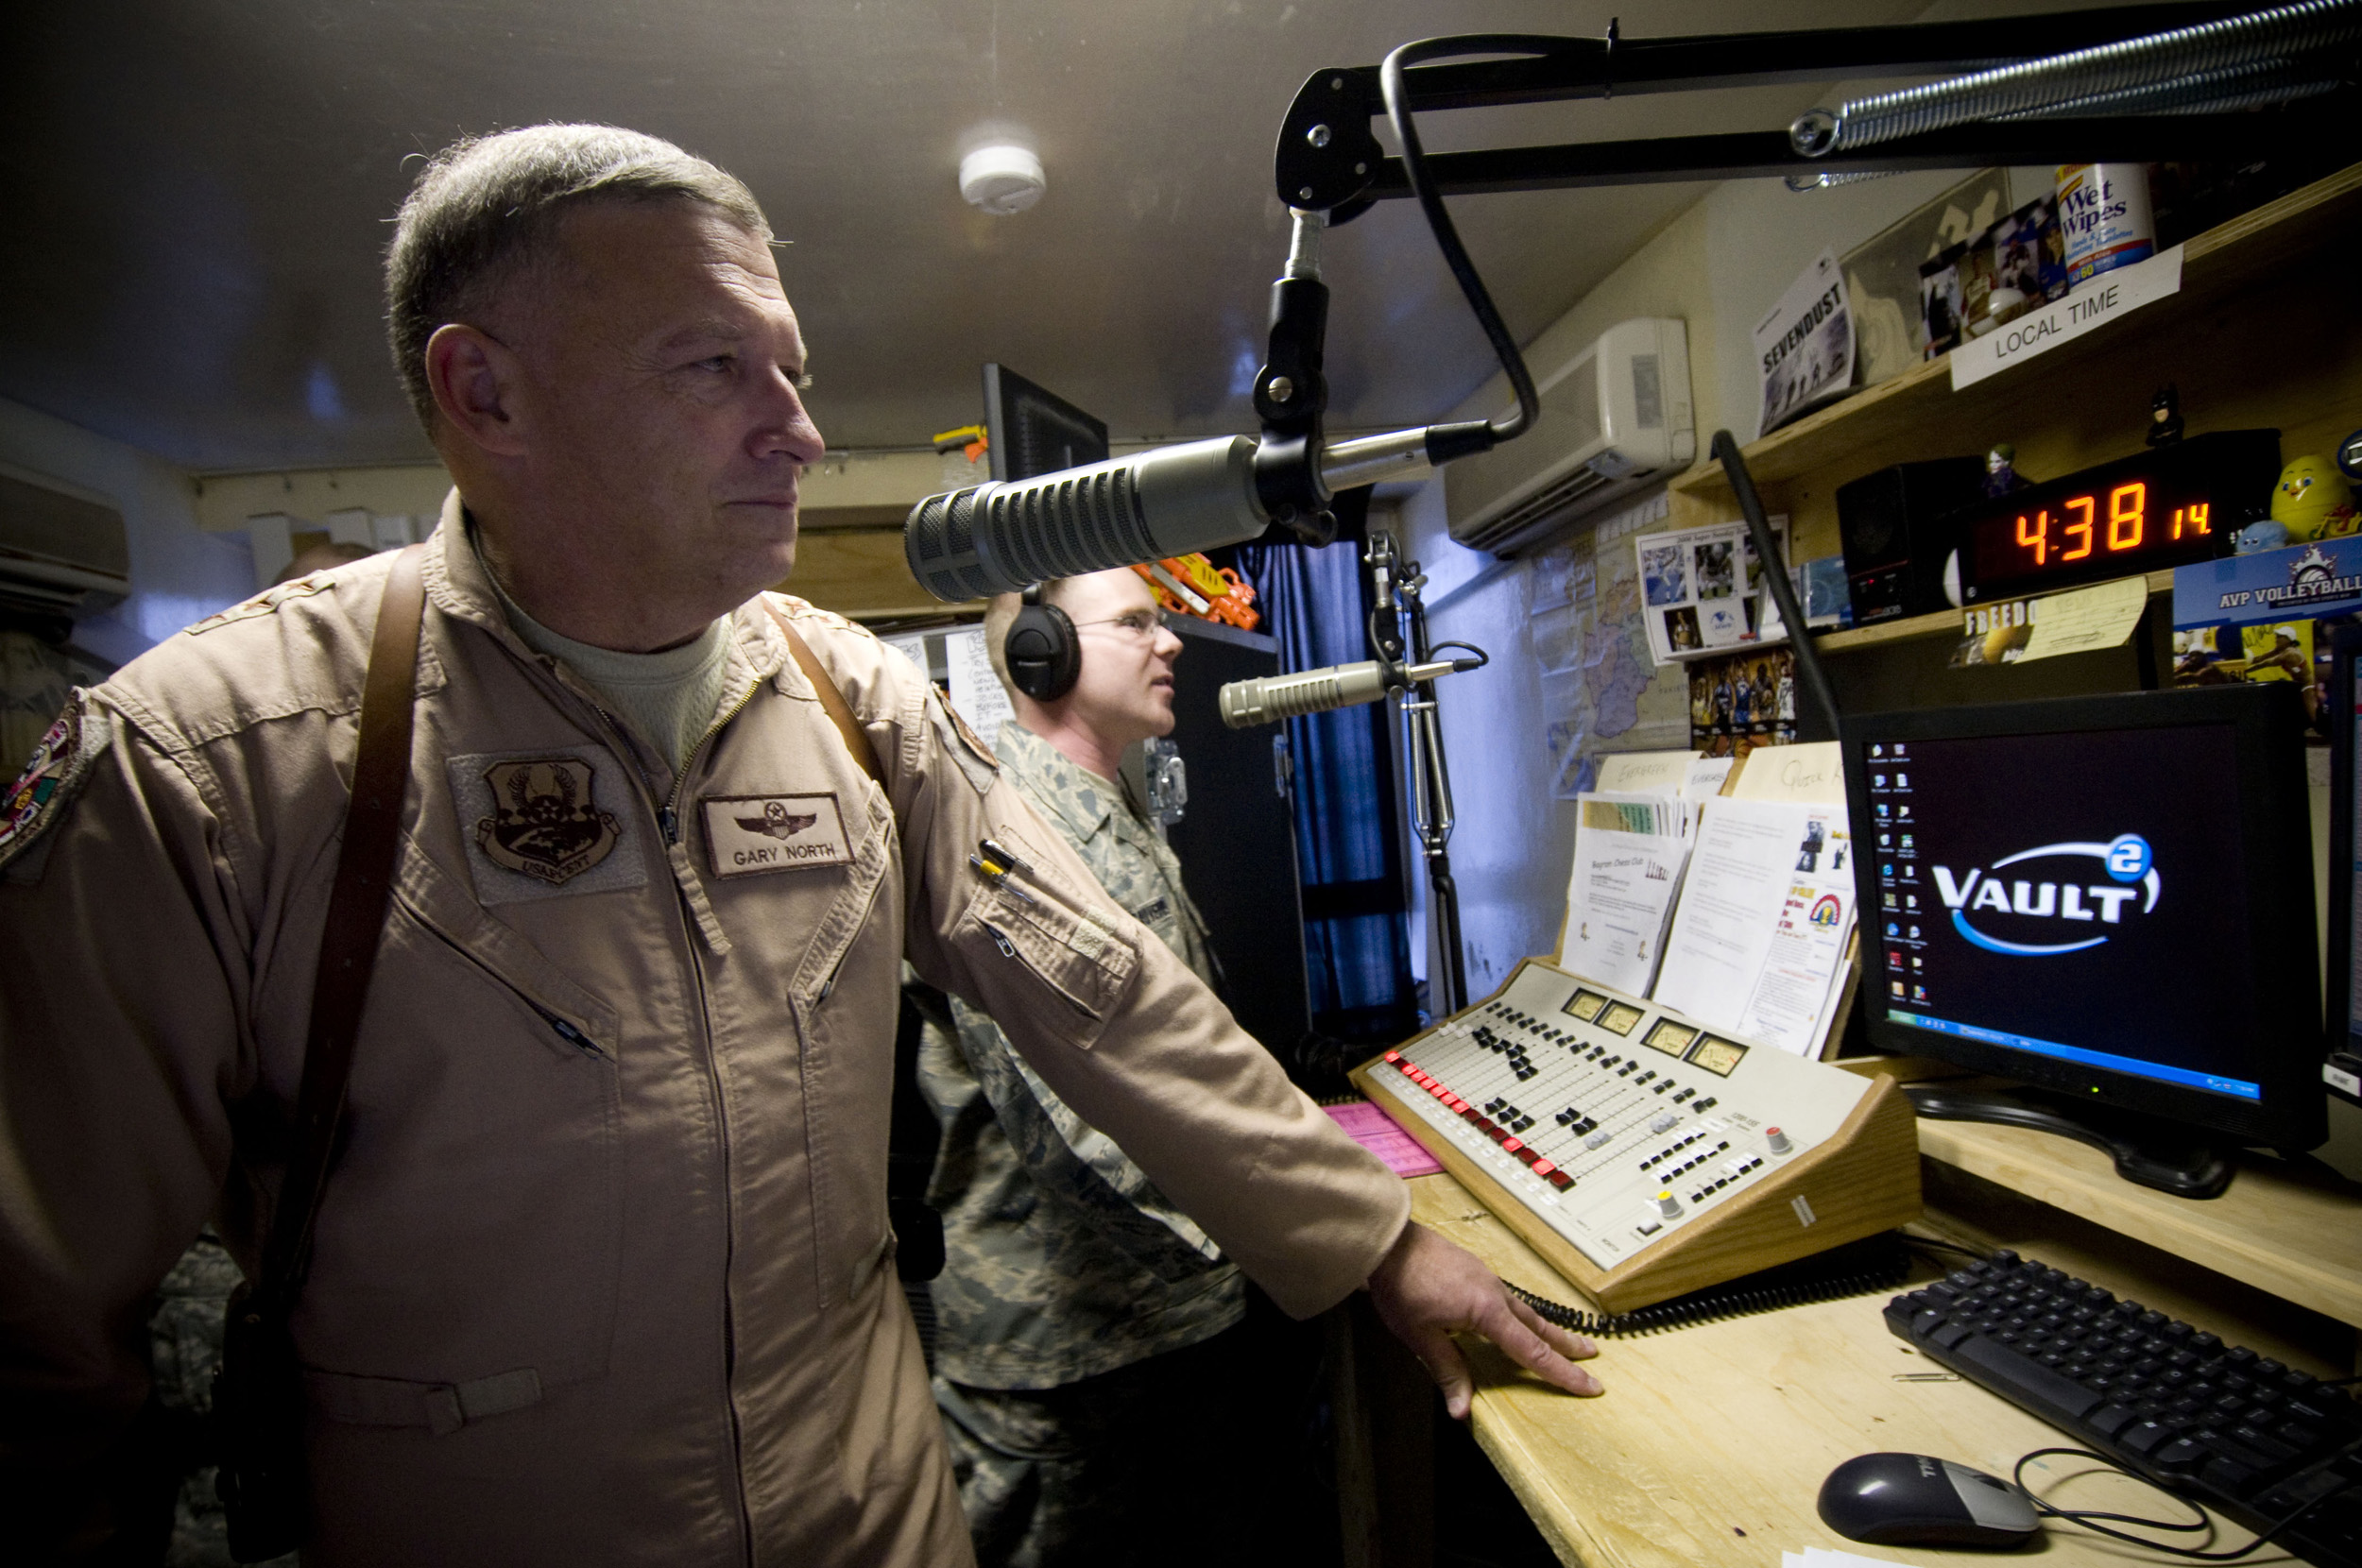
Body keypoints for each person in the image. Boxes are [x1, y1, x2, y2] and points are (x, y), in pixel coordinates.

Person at [0, 125, 1600, 1566]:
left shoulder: (845, 698)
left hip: (869, 1509)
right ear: (483, 392)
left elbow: (1101, 996)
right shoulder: (220, 760)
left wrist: (1374, 1239)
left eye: (794, 369)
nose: (802, 433)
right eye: (714, 367)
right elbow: (37, 1321)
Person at [918, 571, 1245, 1564]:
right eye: (1137, 622)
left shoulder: (1108, 806)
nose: (1174, 641)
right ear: (1041, 654)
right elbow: (1072, 1125)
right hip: (1065, 1362)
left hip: (1147, 1334)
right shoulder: (1011, 837)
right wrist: (1287, 1238)